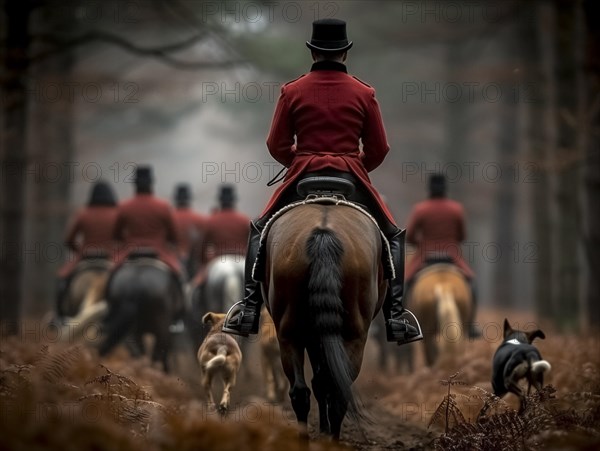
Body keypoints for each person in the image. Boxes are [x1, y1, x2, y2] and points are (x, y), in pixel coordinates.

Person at [223, 19, 422, 345]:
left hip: (303, 175)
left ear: (313, 51)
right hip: (350, 176)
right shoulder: (364, 92)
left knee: (260, 231)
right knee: (393, 237)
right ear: (344, 52)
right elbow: (379, 148)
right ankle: (396, 315)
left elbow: (275, 144)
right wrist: (356, 165)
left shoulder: (292, 90)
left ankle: (248, 307)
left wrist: (299, 160)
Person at [404, 173, 480, 338]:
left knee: (405, 286)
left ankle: (404, 322)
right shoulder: (456, 209)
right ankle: (471, 325)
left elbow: (409, 236)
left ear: (429, 189)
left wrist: (422, 245)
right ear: (446, 188)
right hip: (451, 256)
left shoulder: (420, 209)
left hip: (425, 256)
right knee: (472, 285)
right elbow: (462, 236)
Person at [111, 166, 184, 315]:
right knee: (179, 278)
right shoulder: (163, 206)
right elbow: (174, 237)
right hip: (159, 254)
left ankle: (109, 313)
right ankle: (179, 316)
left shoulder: (124, 206)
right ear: (152, 184)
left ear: (135, 184)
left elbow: (115, 235)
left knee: (110, 278)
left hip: (129, 253)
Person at [56, 180, 119, 317]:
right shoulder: (117, 214)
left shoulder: (83, 214)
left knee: (62, 283)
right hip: (110, 258)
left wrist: (79, 251)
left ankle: (60, 318)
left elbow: (69, 239)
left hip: (86, 258)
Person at [199, 184, 250, 266]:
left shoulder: (211, 220)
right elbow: (252, 244)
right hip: (241, 259)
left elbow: (204, 245)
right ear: (233, 200)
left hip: (219, 258)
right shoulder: (244, 220)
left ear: (220, 200)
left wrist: (203, 262)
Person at [172, 183, 207, 279]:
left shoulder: (170, 217)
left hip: (174, 258)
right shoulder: (200, 219)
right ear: (189, 198)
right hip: (194, 261)